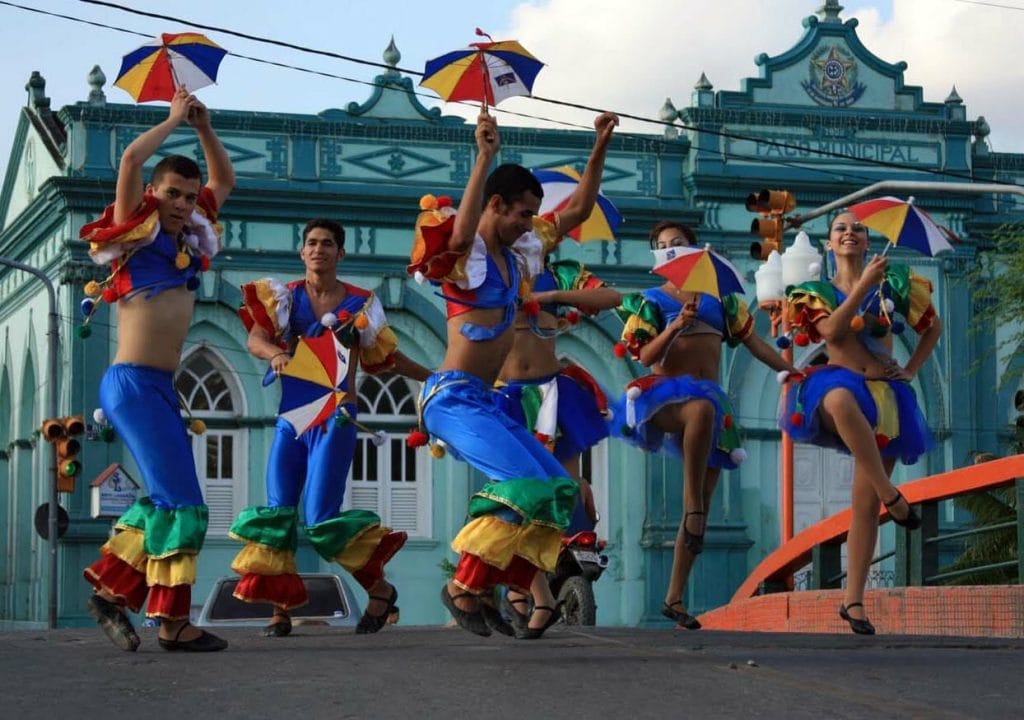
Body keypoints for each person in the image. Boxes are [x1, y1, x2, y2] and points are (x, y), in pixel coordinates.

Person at [407, 109, 618, 639]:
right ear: (495, 205)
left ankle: (511, 590)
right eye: (522, 213)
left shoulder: (519, 254)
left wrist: (599, 145)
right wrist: (484, 158)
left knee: (555, 490)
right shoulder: (466, 257)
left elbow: (580, 209)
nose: (531, 224)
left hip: (485, 400)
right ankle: (464, 585)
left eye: (533, 216)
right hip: (451, 399)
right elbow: (458, 236)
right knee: (523, 482)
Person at [80, 87, 234, 652]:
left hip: (160, 390)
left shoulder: (190, 239)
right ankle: (170, 622)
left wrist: (205, 128)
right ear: (154, 193)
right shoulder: (137, 237)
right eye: (173, 193)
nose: (182, 204)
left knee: (169, 498)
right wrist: (172, 120)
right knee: (184, 501)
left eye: (189, 197)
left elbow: (225, 183)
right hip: (131, 384)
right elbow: (129, 160)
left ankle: (116, 594)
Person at [230, 218, 430, 636]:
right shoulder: (284, 299)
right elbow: (255, 339)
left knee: (321, 520)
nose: (318, 249)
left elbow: (385, 358)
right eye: (311, 243)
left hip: (337, 418)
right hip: (291, 419)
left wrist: (431, 376)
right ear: (302, 253)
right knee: (278, 514)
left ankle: (380, 590)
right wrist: (274, 354)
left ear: (341, 254)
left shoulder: (360, 303)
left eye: (327, 244)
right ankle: (280, 611)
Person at [612, 221, 794, 630]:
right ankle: (690, 497)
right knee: (697, 411)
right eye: (661, 245)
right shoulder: (653, 299)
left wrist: (791, 373)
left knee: (706, 420)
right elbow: (644, 355)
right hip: (664, 397)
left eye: (677, 243)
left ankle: (674, 598)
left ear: (693, 249)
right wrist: (676, 325)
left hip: (710, 404)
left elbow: (757, 345)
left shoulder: (722, 301)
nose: (670, 249)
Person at [781, 211, 941, 634]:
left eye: (858, 229)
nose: (849, 233)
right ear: (828, 245)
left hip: (886, 394)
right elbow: (832, 332)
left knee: (863, 507)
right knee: (837, 399)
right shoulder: (814, 290)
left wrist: (910, 369)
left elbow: (933, 327)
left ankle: (853, 602)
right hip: (840, 382)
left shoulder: (895, 283)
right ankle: (893, 494)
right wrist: (862, 287)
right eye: (840, 229)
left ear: (868, 242)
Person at [496, 199, 622, 631]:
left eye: (535, 230)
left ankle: (572, 552)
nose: (526, 235)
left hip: (552, 391)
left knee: (564, 485)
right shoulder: (495, 270)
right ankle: (522, 581)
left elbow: (612, 296)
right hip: (506, 395)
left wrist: (551, 295)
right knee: (513, 491)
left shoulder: (559, 271)